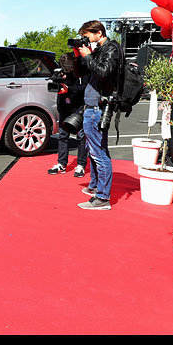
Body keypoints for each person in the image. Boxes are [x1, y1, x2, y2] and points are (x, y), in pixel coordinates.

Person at [75, 20, 121, 210]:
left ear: (99, 33)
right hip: (91, 107)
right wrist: (80, 55)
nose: (85, 39)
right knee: (94, 150)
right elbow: (81, 72)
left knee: (99, 153)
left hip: (99, 108)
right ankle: (95, 186)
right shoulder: (99, 50)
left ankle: (102, 198)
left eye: (87, 36)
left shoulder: (111, 49)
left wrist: (88, 55)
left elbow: (103, 72)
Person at [47, 52, 89, 177]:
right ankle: (61, 163)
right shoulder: (61, 72)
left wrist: (69, 89)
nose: (68, 70)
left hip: (78, 107)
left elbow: (86, 87)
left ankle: (81, 165)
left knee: (81, 136)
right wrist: (58, 78)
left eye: (69, 68)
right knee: (63, 136)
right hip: (64, 107)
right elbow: (53, 82)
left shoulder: (82, 71)